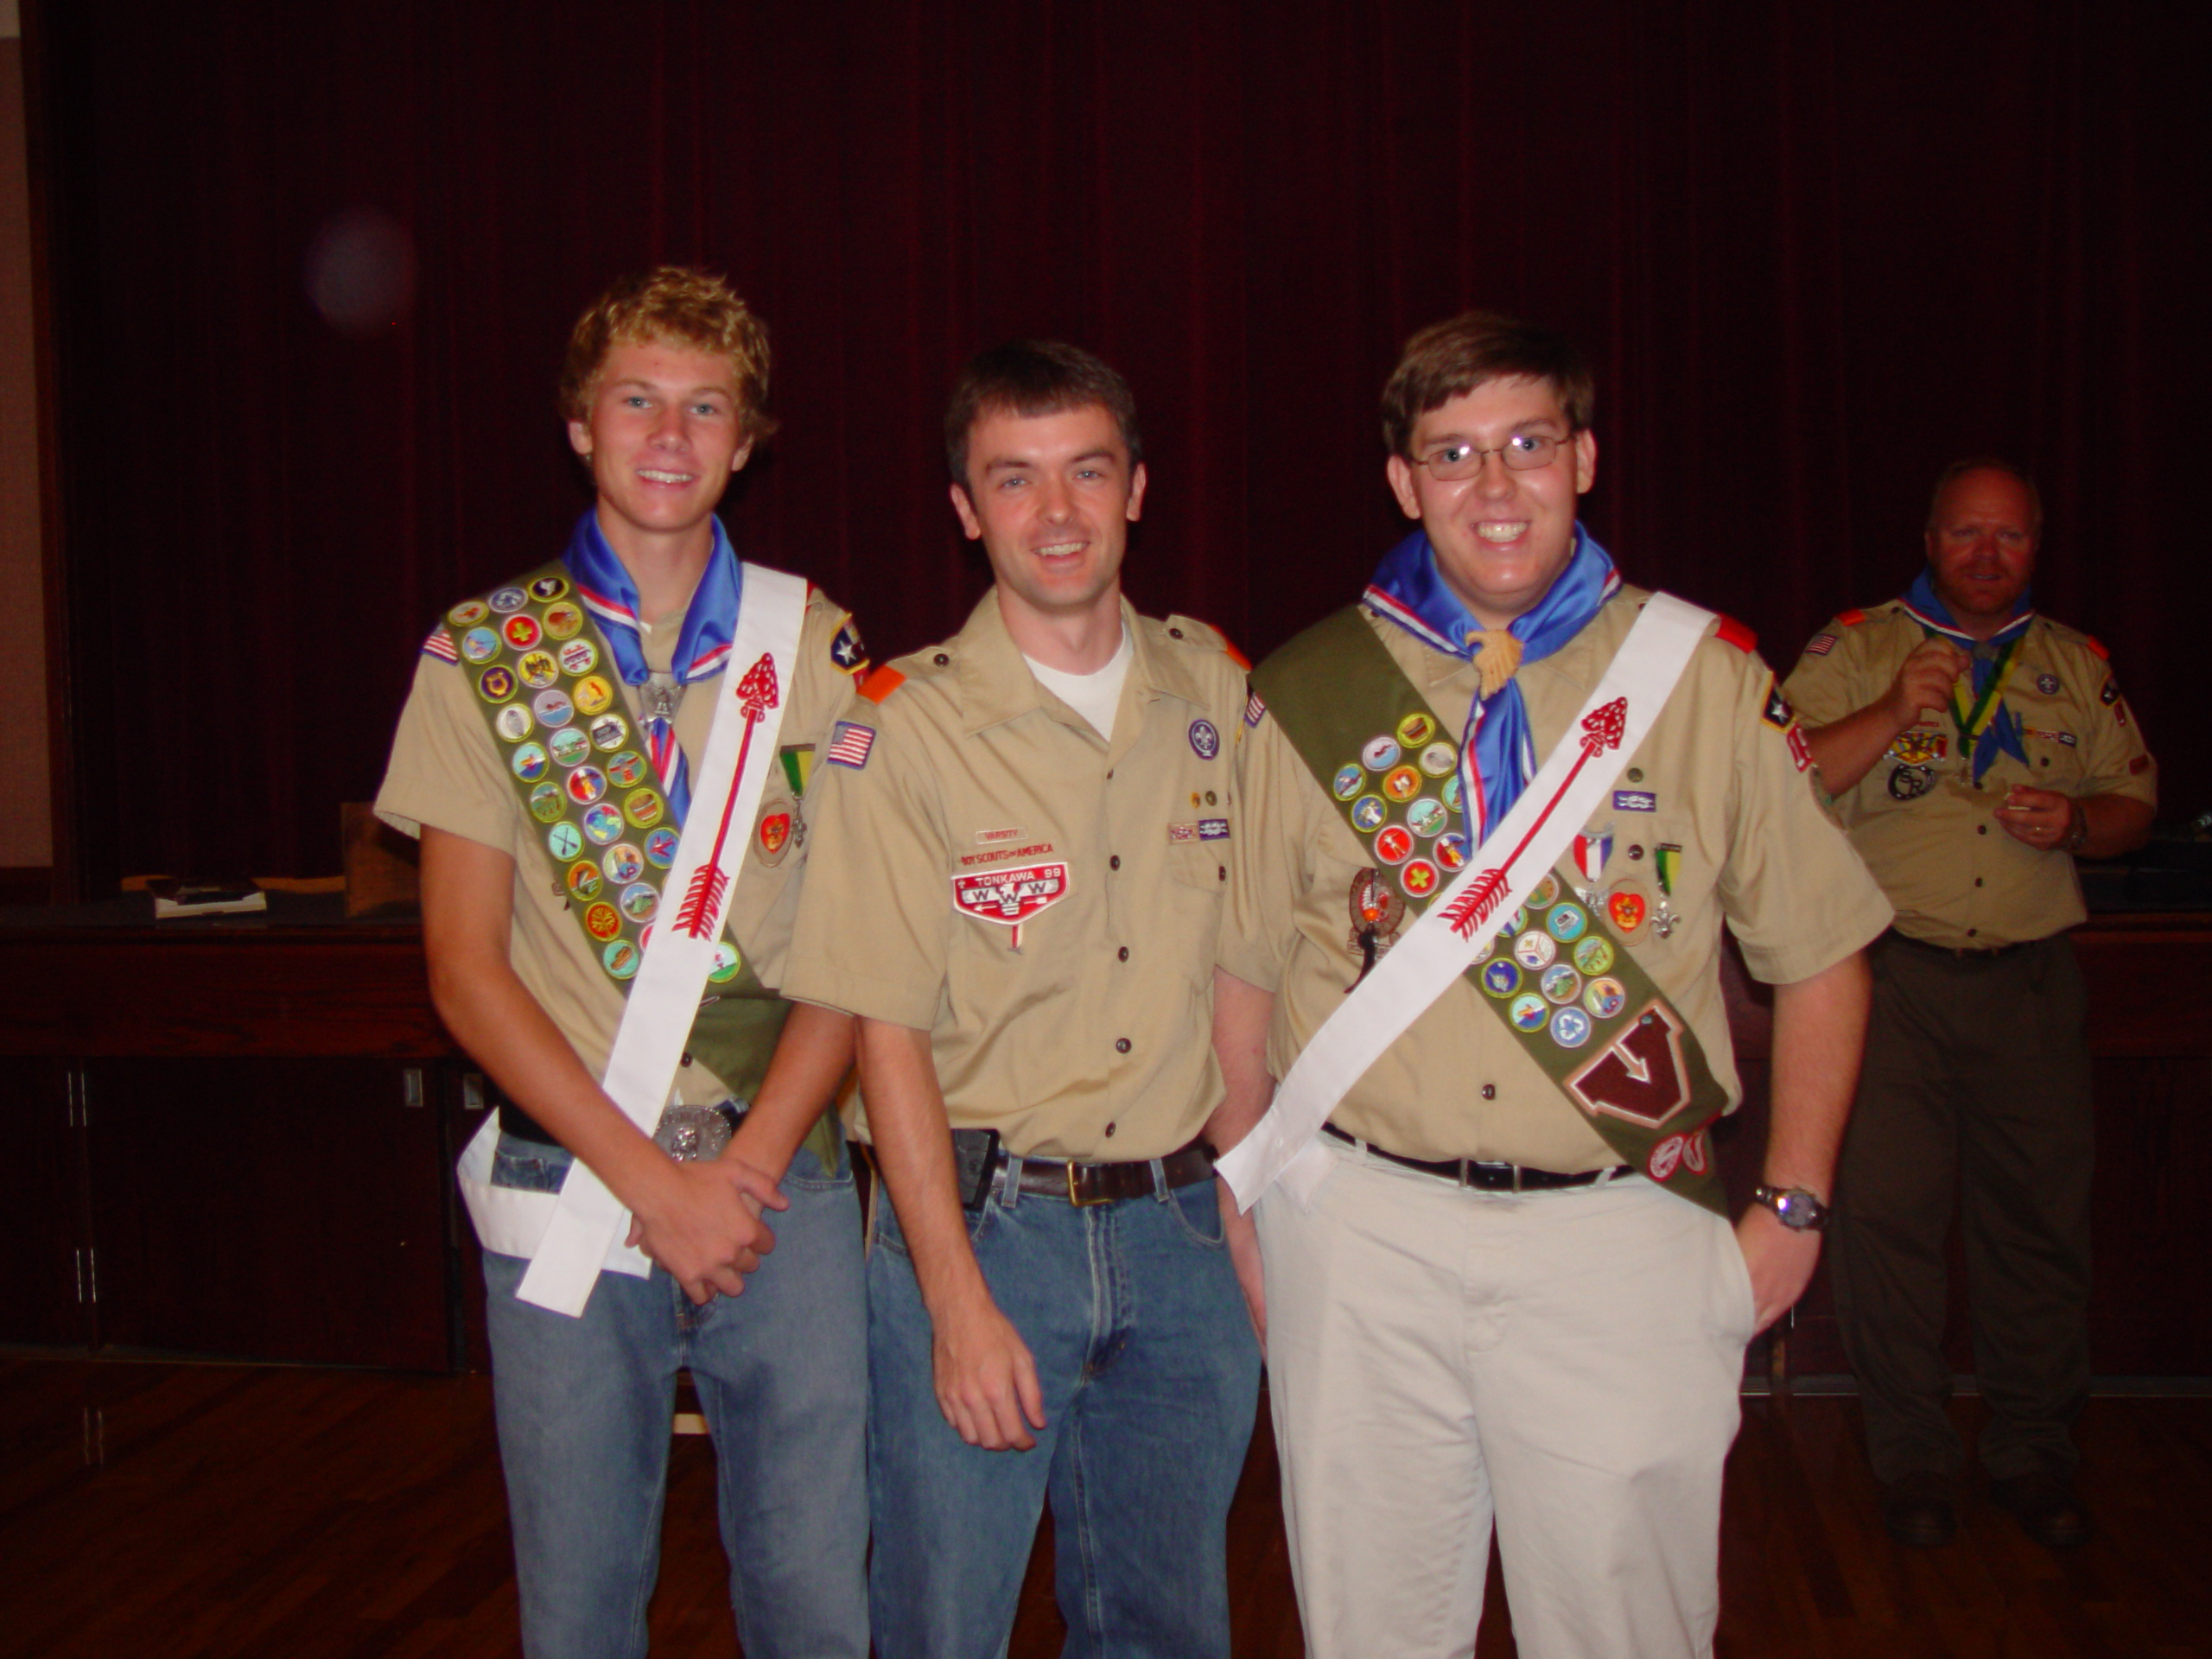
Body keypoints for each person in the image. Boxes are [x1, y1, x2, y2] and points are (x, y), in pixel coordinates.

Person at [1210, 310, 1893, 1658]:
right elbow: (1244, 968)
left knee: (1625, 1631)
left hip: (1622, 1234)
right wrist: (1251, 1195)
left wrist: (1795, 1204)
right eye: (1452, 454)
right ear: (1404, 483)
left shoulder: (1702, 679)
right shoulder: (1306, 688)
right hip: (1361, 1229)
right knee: (1370, 1630)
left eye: (1527, 444)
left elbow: (1822, 954)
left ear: (1584, 458)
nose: (1494, 487)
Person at [375, 267, 870, 1659]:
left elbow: (854, 948)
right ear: (580, 427)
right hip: (575, 1176)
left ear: (748, 438)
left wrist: (747, 1174)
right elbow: (465, 972)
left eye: (706, 407)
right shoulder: (488, 656)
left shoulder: (815, 643)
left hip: (787, 1184)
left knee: (818, 1598)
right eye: (637, 400)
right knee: (580, 1606)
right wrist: (656, 1185)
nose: (670, 433)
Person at [782, 340, 1262, 1656]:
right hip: (989, 1230)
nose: (1056, 515)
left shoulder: (1216, 689)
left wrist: (1255, 1213)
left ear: (1137, 489)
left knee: (1171, 1623)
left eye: (1086, 473)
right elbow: (882, 1033)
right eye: (1015, 480)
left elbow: (1249, 974)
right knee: (945, 1621)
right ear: (965, 508)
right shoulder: (900, 731)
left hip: (1185, 1233)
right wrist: (952, 1298)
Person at [1783, 460, 2157, 1551]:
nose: (1987, 556)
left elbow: (2138, 796)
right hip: (1888, 980)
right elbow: (1786, 781)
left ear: (2036, 544)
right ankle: (1910, 1462)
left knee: (2037, 1230)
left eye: (2009, 537)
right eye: (1966, 535)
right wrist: (1894, 707)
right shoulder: (1853, 646)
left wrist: (2083, 823)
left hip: (2030, 985)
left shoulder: (2071, 662)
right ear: (1931, 536)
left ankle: (2034, 1453)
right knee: (1888, 1228)